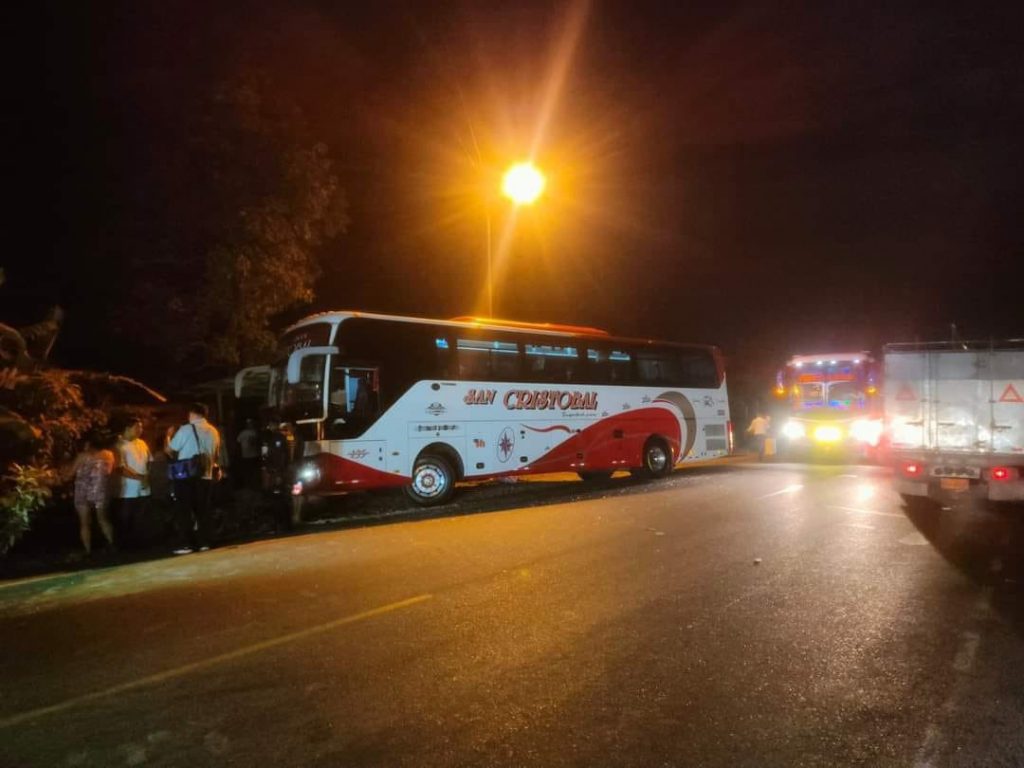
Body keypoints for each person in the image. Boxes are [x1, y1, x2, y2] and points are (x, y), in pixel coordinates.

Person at [167, 403, 221, 554]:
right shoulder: (213, 431)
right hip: (206, 474)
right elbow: (216, 454)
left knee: (184, 509)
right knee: (203, 509)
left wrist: (169, 435)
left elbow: (170, 450)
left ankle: (187, 544)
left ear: (192, 413)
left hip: (187, 475)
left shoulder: (186, 429)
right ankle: (206, 542)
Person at [66, 432, 116, 556]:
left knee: (84, 522)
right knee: (103, 519)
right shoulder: (109, 455)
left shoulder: (83, 456)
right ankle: (112, 544)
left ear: (88, 444)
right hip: (100, 490)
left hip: (83, 490)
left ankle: (87, 549)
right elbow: (108, 471)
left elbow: (69, 475)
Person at [112, 416, 152, 548]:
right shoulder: (119, 445)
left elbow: (150, 462)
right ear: (127, 429)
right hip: (127, 491)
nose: (141, 429)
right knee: (126, 518)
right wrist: (141, 478)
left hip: (144, 489)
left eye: (141, 427)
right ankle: (125, 546)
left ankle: (140, 544)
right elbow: (120, 468)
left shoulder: (142, 443)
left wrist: (147, 476)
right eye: (137, 427)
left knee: (141, 518)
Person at [236, 418, 260, 489]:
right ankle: (248, 485)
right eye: (248, 423)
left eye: (250, 423)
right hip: (246, 455)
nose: (249, 425)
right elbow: (238, 442)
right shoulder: (243, 433)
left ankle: (252, 485)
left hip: (253, 455)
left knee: (252, 471)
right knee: (248, 471)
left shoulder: (254, 432)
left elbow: (257, 443)